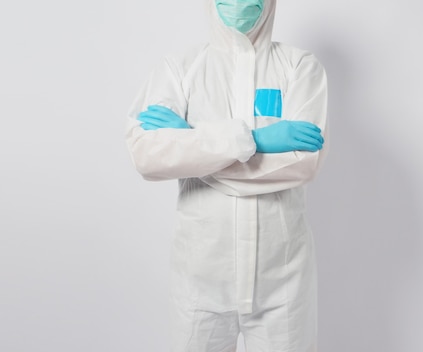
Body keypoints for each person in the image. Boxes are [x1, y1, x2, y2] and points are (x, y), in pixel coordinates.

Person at [125, 0, 328, 351]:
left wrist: (192, 140)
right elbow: (148, 156)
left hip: (283, 282)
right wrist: (255, 141)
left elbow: (302, 164)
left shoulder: (299, 67)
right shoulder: (180, 69)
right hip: (199, 281)